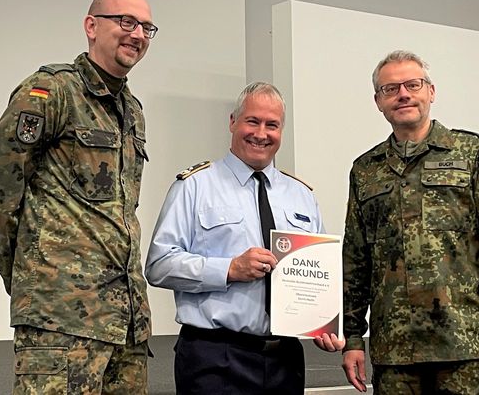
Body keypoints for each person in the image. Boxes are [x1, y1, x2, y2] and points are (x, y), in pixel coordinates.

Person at [0, 0, 157, 394]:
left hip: (126, 324)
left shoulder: (133, 111)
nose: (138, 35)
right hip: (60, 323)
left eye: (146, 27)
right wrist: (31, 275)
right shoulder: (51, 91)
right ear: (92, 26)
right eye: (126, 22)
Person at [341, 50, 479, 394]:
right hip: (394, 351)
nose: (403, 94)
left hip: (463, 343)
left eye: (413, 84)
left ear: (431, 91)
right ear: (378, 101)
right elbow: (355, 258)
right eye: (390, 89)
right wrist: (353, 337)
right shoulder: (365, 169)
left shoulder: (470, 152)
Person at [146, 82, 343, 394]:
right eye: (252, 121)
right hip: (215, 356)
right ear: (232, 122)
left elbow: (318, 276)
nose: (261, 133)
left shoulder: (302, 196)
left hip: (285, 360)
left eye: (272, 125)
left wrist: (323, 324)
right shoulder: (195, 187)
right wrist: (228, 269)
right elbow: (159, 265)